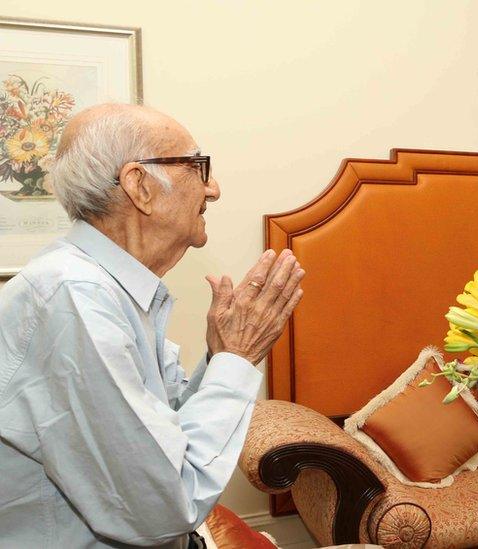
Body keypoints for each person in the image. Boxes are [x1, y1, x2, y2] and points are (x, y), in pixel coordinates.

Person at [0, 103, 305, 548]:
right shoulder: (75, 299)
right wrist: (237, 360)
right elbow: (165, 504)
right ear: (139, 186)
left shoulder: (113, 288)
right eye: (199, 167)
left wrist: (220, 360)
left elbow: (162, 434)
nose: (213, 188)